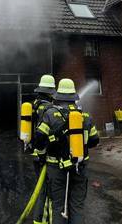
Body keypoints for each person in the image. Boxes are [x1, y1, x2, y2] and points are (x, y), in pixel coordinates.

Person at [33, 78, 99, 223]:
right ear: (74, 97)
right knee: (77, 206)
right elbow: (94, 140)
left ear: (58, 96)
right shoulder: (85, 116)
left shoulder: (50, 114)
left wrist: (43, 154)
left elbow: (39, 140)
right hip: (80, 167)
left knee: (58, 206)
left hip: (56, 168)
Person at [30, 74, 55, 224]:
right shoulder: (47, 109)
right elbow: (43, 134)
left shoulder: (35, 105)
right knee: (46, 190)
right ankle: (42, 220)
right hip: (43, 153)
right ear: (50, 92)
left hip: (36, 151)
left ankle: (40, 220)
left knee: (42, 188)